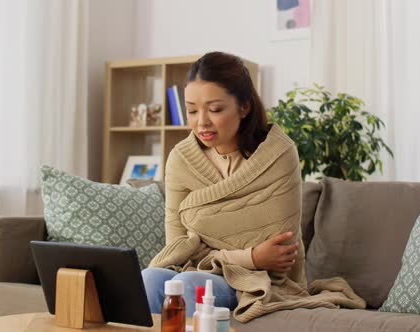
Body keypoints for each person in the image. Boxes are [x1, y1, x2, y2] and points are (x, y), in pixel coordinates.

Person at [142, 52, 364, 322]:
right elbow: (176, 247)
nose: (202, 122)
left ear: (244, 107)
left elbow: (279, 254)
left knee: (192, 284)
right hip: (203, 268)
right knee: (150, 278)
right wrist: (251, 256)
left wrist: (213, 244)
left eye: (215, 109)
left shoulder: (278, 155)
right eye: (191, 110)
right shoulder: (180, 158)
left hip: (258, 282)